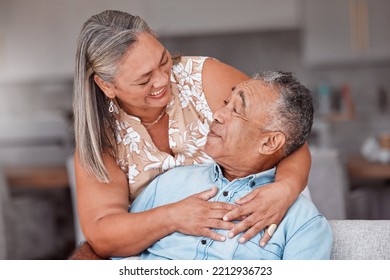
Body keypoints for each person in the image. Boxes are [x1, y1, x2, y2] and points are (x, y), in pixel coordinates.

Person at [71, 10, 312, 259]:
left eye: (163, 60)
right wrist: (173, 217)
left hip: (250, 236)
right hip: (166, 251)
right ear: (106, 85)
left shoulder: (204, 77)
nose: (163, 79)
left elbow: (285, 134)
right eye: (144, 80)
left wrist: (285, 189)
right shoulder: (101, 137)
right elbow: (103, 234)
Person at [126, 72, 332, 260]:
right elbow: (112, 252)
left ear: (269, 143)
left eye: (236, 110)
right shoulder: (169, 183)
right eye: (225, 102)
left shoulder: (303, 222)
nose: (217, 114)